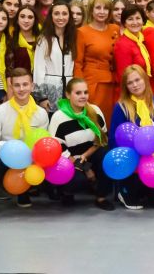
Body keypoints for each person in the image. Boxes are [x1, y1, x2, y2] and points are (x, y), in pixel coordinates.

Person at [0, 68, 50, 223]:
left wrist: (28, 152)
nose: (21, 89)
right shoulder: (0, 111)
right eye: (17, 85)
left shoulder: (41, 113)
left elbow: (42, 143)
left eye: (25, 84)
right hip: (6, 160)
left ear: (32, 86)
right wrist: (13, 147)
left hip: (31, 161)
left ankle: (24, 192)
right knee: (1, 156)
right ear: (10, 87)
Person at [109, 66, 154, 210]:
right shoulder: (121, 107)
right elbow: (113, 139)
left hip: (153, 161)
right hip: (132, 163)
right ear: (126, 86)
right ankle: (123, 190)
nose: (135, 85)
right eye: (130, 83)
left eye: (137, 80)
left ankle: (148, 189)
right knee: (133, 197)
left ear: (145, 79)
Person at [48, 78, 114, 210]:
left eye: (85, 92)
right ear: (68, 95)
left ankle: (101, 197)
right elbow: (57, 149)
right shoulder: (58, 117)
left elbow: (101, 140)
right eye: (78, 93)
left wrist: (85, 157)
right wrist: (85, 168)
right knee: (78, 181)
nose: (83, 96)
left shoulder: (95, 111)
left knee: (108, 157)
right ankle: (66, 192)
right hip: (69, 160)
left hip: (88, 155)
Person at [74, 0, 121, 121]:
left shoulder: (115, 29)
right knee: (94, 120)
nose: (102, 12)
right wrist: (80, 89)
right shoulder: (82, 32)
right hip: (92, 85)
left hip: (113, 84)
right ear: (91, 10)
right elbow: (77, 63)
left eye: (106, 8)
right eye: (98, 8)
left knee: (112, 120)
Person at [33, 2, 75, 110]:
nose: (60, 17)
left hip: (69, 91)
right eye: (56, 13)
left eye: (64, 13)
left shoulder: (72, 39)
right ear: (51, 16)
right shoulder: (44, 40)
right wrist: (41, 97)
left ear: (69, 16)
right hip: (49, 90)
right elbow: (38, 70)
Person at [10, 7, 39, 72]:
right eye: (22, 17)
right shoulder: (11, 41)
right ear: (17, 20)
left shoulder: (42, 40)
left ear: (35, 21)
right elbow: (9, 68)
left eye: (30, 17)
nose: (26, 21)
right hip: (17, 78)